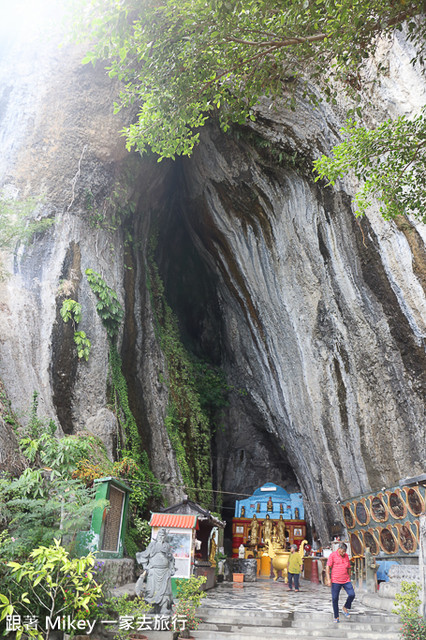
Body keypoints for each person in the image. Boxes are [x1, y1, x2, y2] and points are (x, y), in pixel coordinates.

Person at [135, 529, 175, 613]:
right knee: (151, 590)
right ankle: (151, 606)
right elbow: (145, 555)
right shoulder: (152, 545)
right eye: (160, 535)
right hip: (153, 571)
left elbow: (171, 559)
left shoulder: (167, 546)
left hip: (165, 571)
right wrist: (146, 566)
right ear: (157, 536)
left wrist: (172, 568)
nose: (161, 537)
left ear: (165, 537)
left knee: (165, 590)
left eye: (163, 535)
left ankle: (164, 606)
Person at [325, 542, 355, 623]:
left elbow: (349, 568)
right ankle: (336, 617)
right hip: (335, 580)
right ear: (339, 549)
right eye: (343, 551)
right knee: (335, 598)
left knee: (352, 594)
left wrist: (349, 578)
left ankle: (345, 607)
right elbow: (328, 567)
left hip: (346, 580)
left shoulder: (346, 557)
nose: (344, 553)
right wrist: (328, 579)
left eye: (345, 551)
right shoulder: (333, 555)